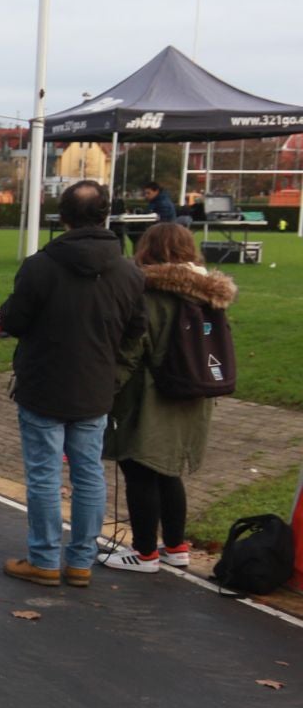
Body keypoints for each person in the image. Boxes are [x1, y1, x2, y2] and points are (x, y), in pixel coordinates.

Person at [0, 180, 146, 587]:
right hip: (95, 386)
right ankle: (79, 559)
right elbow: (137, 330)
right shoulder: (128, 271)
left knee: (46, 475)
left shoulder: (41, 265)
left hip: (45, 383)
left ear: (62, 217)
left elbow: (13, 321)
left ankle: (45, 558)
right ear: (105, 215)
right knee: (88, 474)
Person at [101, 223, 236, 573]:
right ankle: (175, 546)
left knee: (140, 468)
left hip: (152, 395)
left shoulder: (150, 293)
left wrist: (104, 391)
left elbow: (132, 350)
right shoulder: (210, 294)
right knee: (169, 471)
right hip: (196, 392)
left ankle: (144, 552)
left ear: (148, 250)